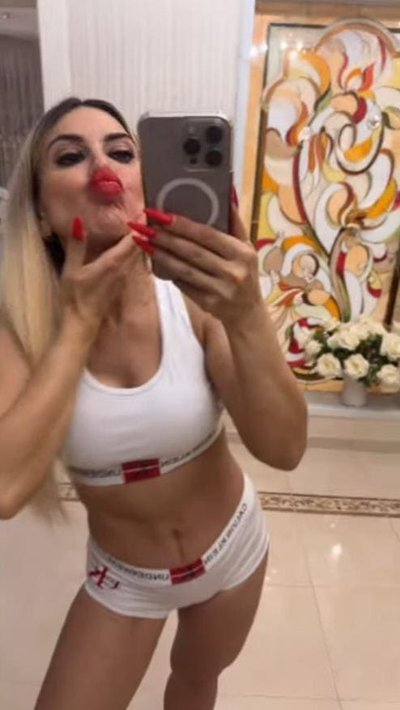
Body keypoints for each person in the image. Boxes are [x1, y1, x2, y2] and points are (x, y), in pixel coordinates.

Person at [0, 97, 307, 710]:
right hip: (126, 579)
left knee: (194, 682)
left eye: (121, 151)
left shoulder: (192, 297)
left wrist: (247, 314)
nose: (101, 166)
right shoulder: (21, 327)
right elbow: (5, 490)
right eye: (70, 156)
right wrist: (77, 325)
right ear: (41, 214)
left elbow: (285, 449)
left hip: (234, 549)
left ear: (148, 186)